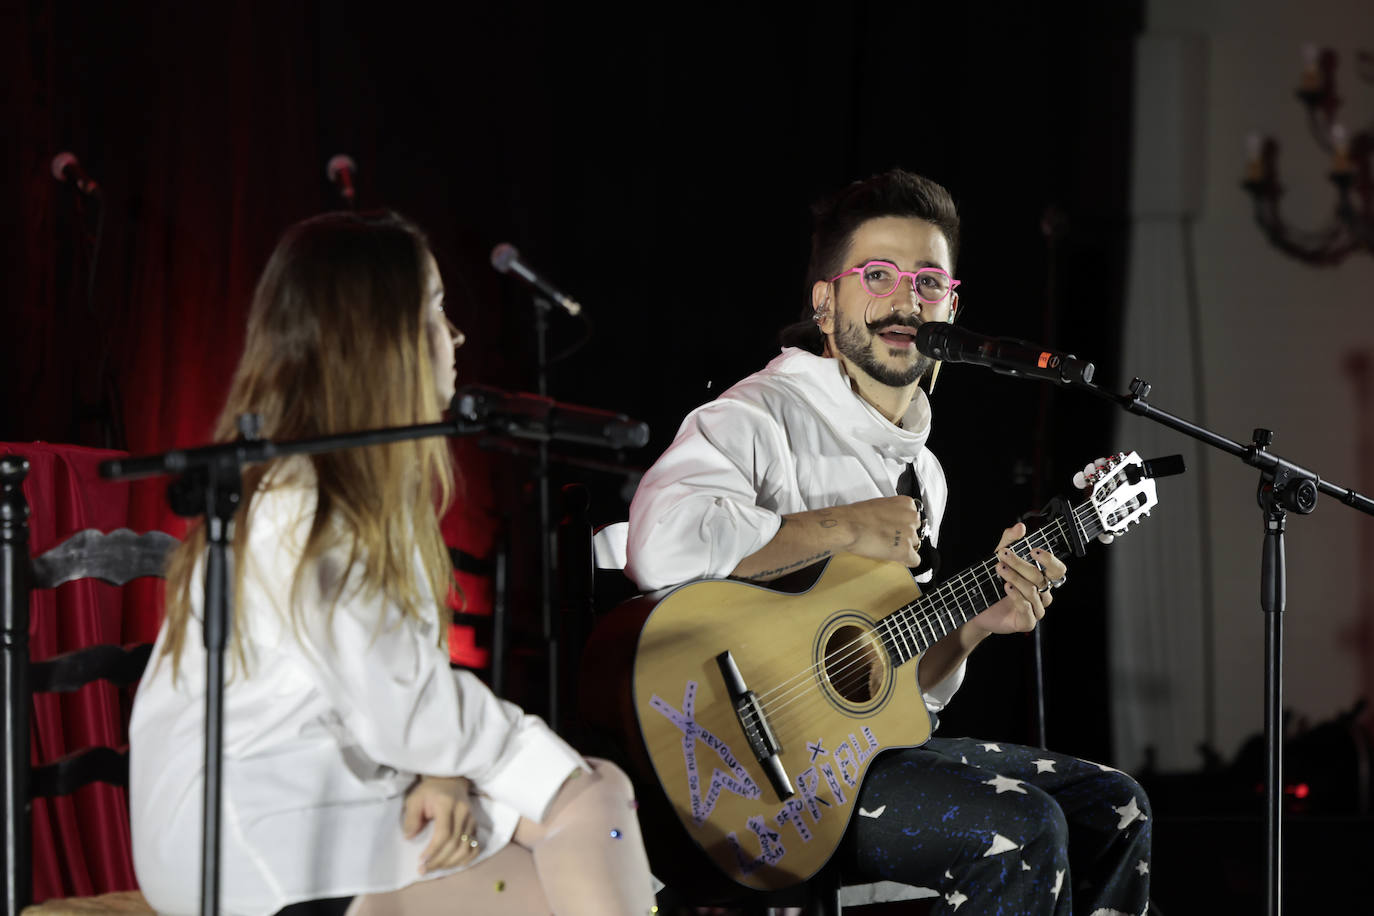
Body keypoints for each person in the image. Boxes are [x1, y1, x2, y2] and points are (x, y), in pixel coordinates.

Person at [624, 169, 1150, 915]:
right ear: (825, 301)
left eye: (928, 282)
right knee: (1023, 827)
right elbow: (661, 546)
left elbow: (890, 698)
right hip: (743, 777)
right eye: (877, 275)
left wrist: (974, 623)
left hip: (851, 762)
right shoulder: (757, 416)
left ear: (954, 307)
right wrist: (847, 526)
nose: (905, 300)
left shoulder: (921, 471)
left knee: (1114, 807)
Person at [129, 211, 657, 916]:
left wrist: (439, 766)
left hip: (321, 795)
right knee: (592, 799)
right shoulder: (301, 504)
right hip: (258, 847)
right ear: (380, 343)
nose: (457, 336)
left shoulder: (345, 488)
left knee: (582, 835)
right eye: (436, 311)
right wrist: (516, 765)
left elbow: (385, 692)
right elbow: (404, 708)